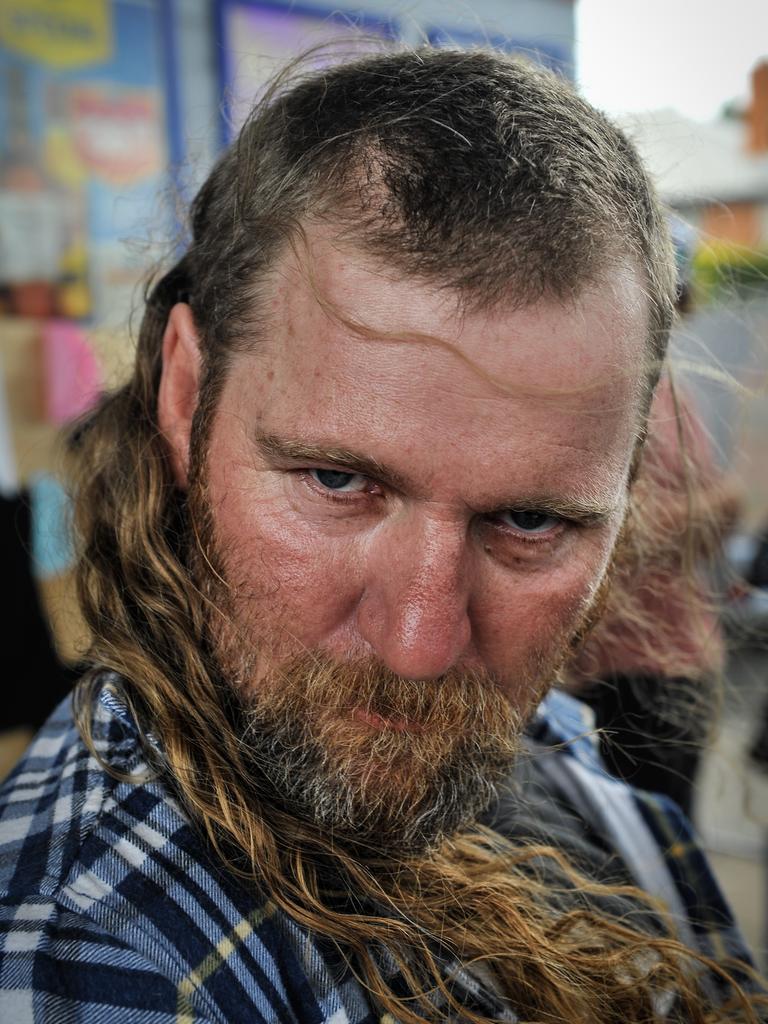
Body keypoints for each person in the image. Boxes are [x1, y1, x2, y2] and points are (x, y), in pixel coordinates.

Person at [0, 48, 765, 1023]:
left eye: (530, 521)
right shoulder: (98, 954)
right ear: (187, 397)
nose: (419, 643)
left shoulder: (574, 771)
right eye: (337, 480)